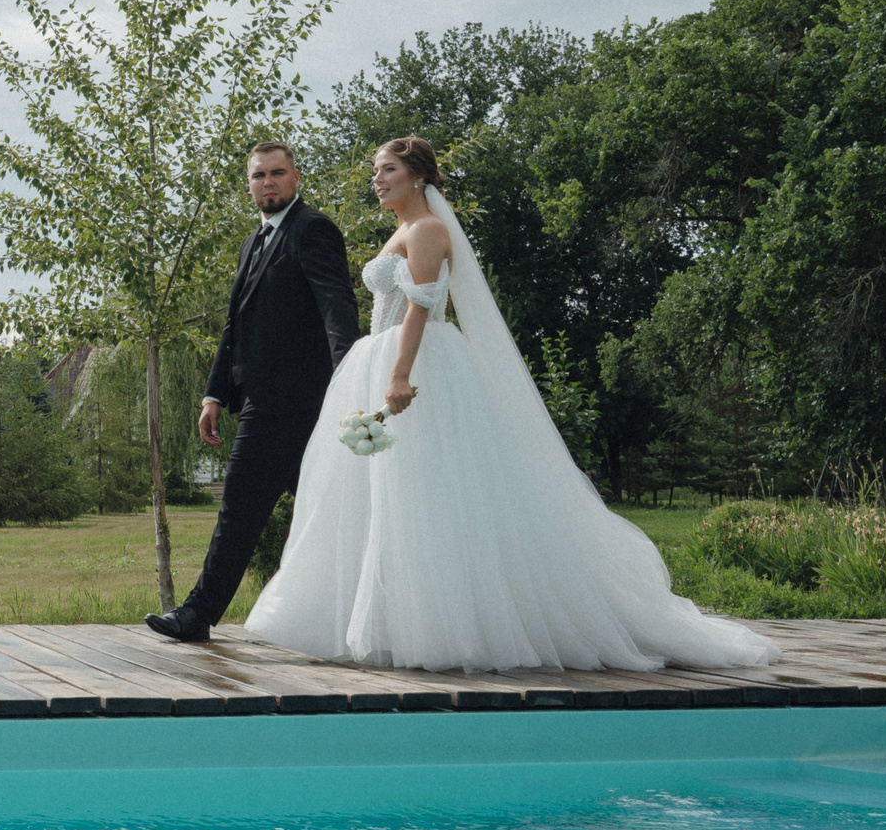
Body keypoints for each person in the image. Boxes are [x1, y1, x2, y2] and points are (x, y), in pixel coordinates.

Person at [244, 136, 777, 672]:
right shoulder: (403, 230)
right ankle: (394, 621)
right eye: (375, 172)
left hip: (419, 362)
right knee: (393, 501)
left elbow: (421, 307)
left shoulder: (428, 230)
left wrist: (399, 375)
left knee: (431, 498)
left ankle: (450, 626)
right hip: (382, 357)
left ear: (419, 177)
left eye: (387, 171)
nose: (376, 180)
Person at [147, 140, 361, 642]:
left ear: (297, 177)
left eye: (277, 173)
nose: (268, 182)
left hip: (301, 404)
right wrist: (213, 395)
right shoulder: (253, 243)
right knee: (327, 514)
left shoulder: (314, 230)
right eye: (258, 175)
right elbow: (234, 326)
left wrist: (350, 379)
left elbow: (337, 307)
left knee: (240, 510)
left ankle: (197, 615)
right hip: (262, 403)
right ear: (249, 183)